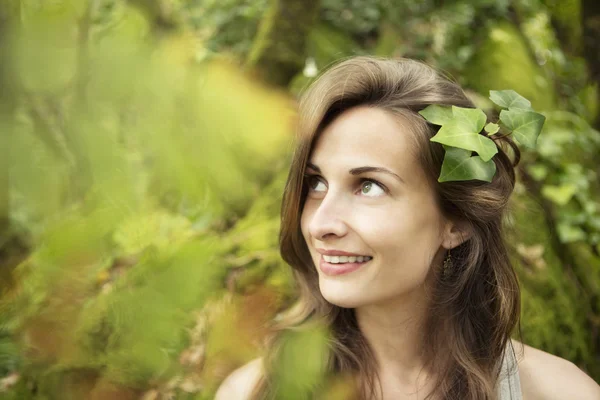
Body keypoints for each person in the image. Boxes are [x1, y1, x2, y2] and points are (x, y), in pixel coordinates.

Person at [216, 57, 600, 399]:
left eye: (369, 186)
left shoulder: (560, 392)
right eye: (316, 183)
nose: (320, 224)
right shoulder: (251, 392)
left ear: (457, 221)